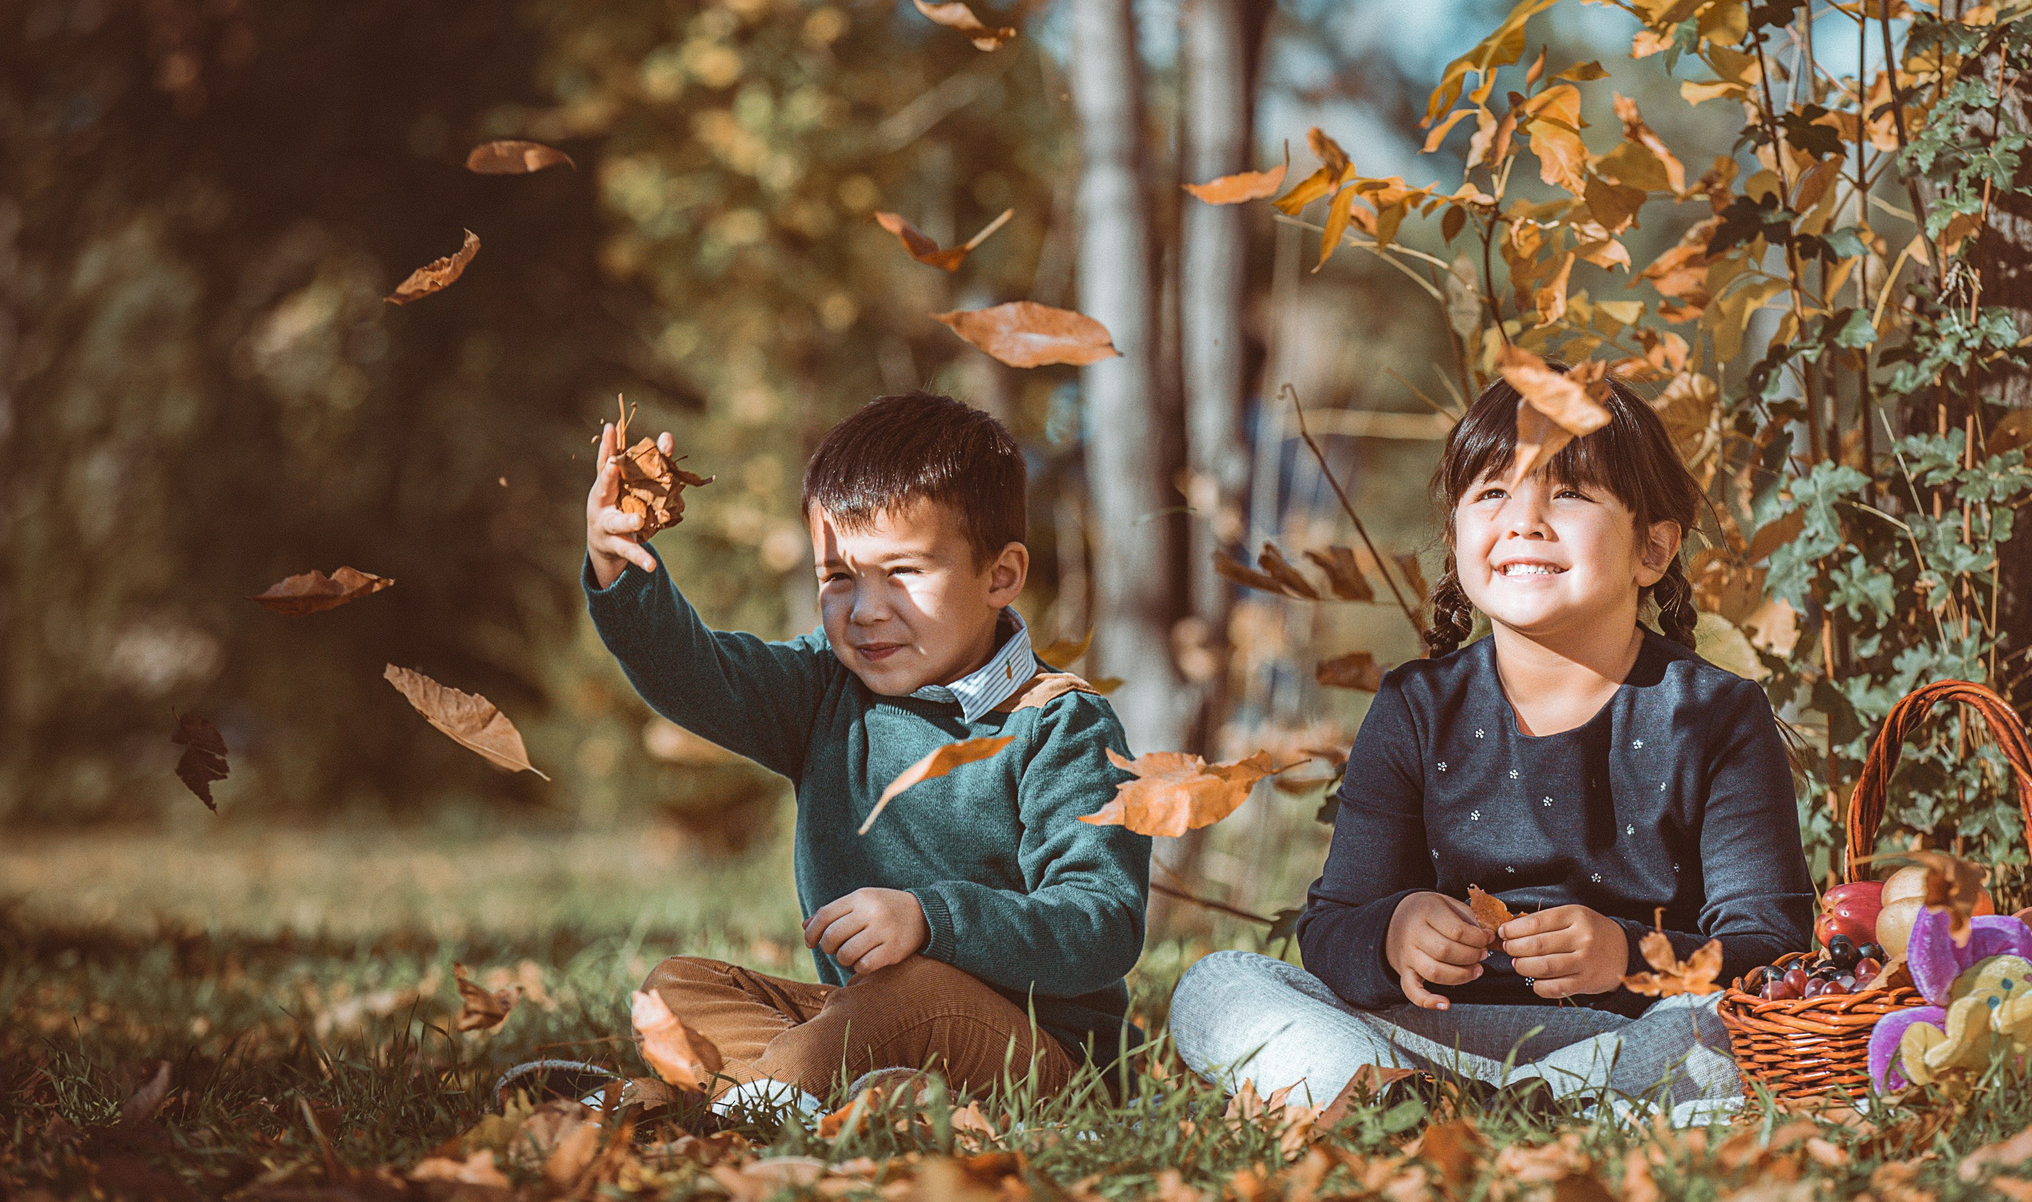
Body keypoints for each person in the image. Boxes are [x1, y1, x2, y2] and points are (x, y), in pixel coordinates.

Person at [1168, 372, 1812, 1116]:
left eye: (1568, 493)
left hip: (1634, 1038)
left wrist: (1626, 956)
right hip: (1429, 1042)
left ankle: (1467, 1111)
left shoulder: (1716, 715)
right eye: (1492, 493)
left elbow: (1771, 944)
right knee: (1217, 984)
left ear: (1654, 548)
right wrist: (1394, 930)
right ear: (1457, 540)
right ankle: (1429, 1099)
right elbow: (1331, 930)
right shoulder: (1417, 706)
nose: (1525, 520)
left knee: (1718, 1029)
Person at [539, 390, 1148, 1121]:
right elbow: (699, 677)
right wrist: (619, 566)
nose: (865, 609)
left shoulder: (1061, 723)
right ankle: (842, 1099)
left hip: (1045, 1057)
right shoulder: (826, 687)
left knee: (916, 991)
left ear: (1001, 575)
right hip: (871, 1023)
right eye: (839, 577)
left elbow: (1100, 922)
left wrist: (933, 919)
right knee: (678, 987)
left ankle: (692, 1109)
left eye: (904, 572)